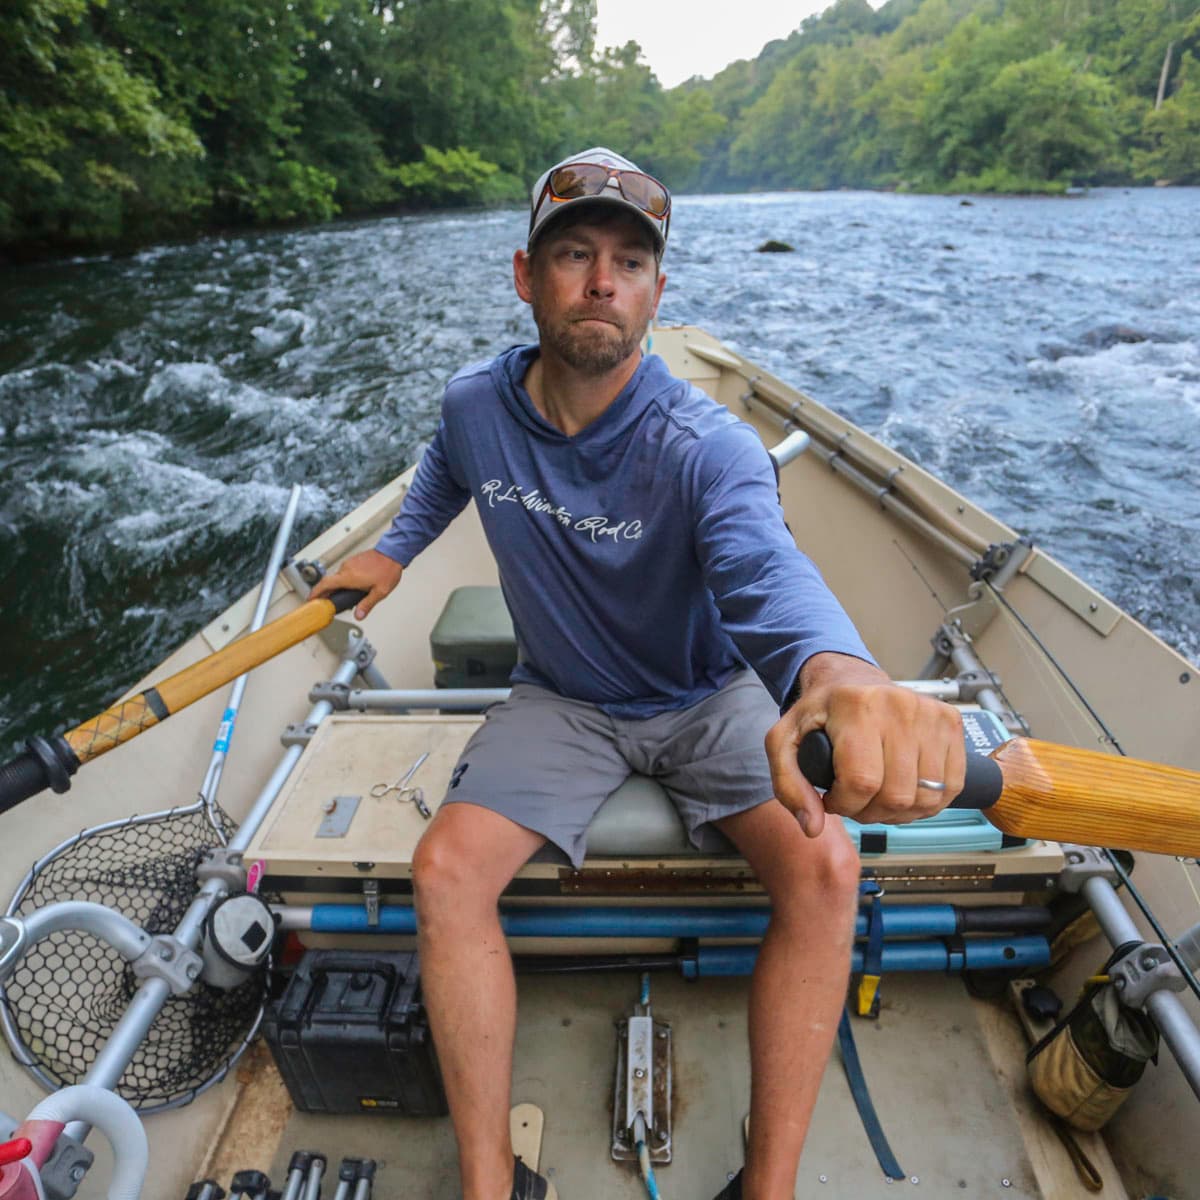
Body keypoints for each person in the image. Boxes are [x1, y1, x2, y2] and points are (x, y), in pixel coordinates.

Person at [312, 148, 965, 1200]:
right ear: (526, 276)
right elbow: (445, 473)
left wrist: (839, 671)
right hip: (564, 697)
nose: (601, 280)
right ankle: (488, 1180)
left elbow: (765, 571)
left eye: (628, 260)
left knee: (829, 870)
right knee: (444, 872)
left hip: (710, 696)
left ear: (658, 291)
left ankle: (771, 1184)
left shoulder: (708, 445)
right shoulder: (476, 405)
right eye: (574, 253)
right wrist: (393, 549)